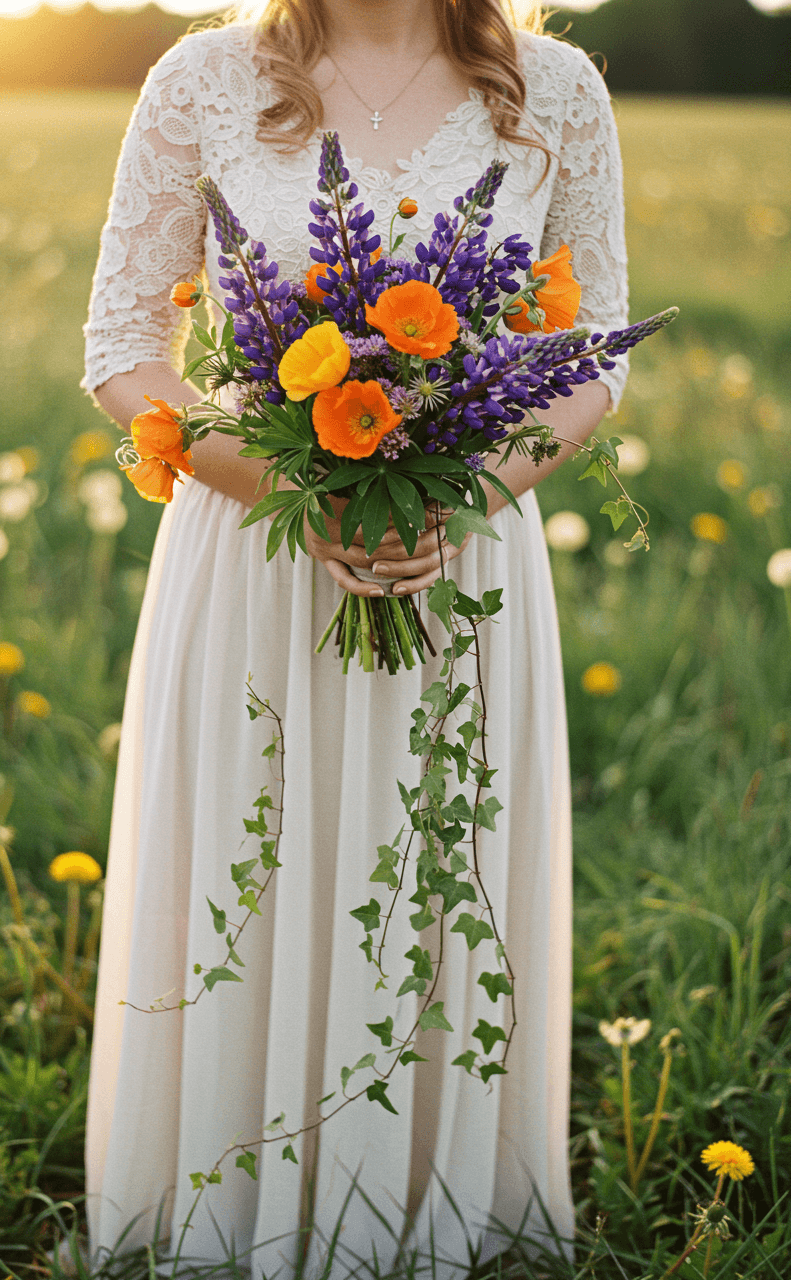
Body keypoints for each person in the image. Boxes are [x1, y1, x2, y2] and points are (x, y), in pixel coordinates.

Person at [81, 0, 628, 1272]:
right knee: (248, 859)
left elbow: (589, 352)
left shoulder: (553, 93)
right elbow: (120, 346)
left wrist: (456, 494)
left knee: (429, 869)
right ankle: (230, 1197)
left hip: (460, 555)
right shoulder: (203, 77)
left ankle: (421, 1187)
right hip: (256, 551)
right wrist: (296, 492)